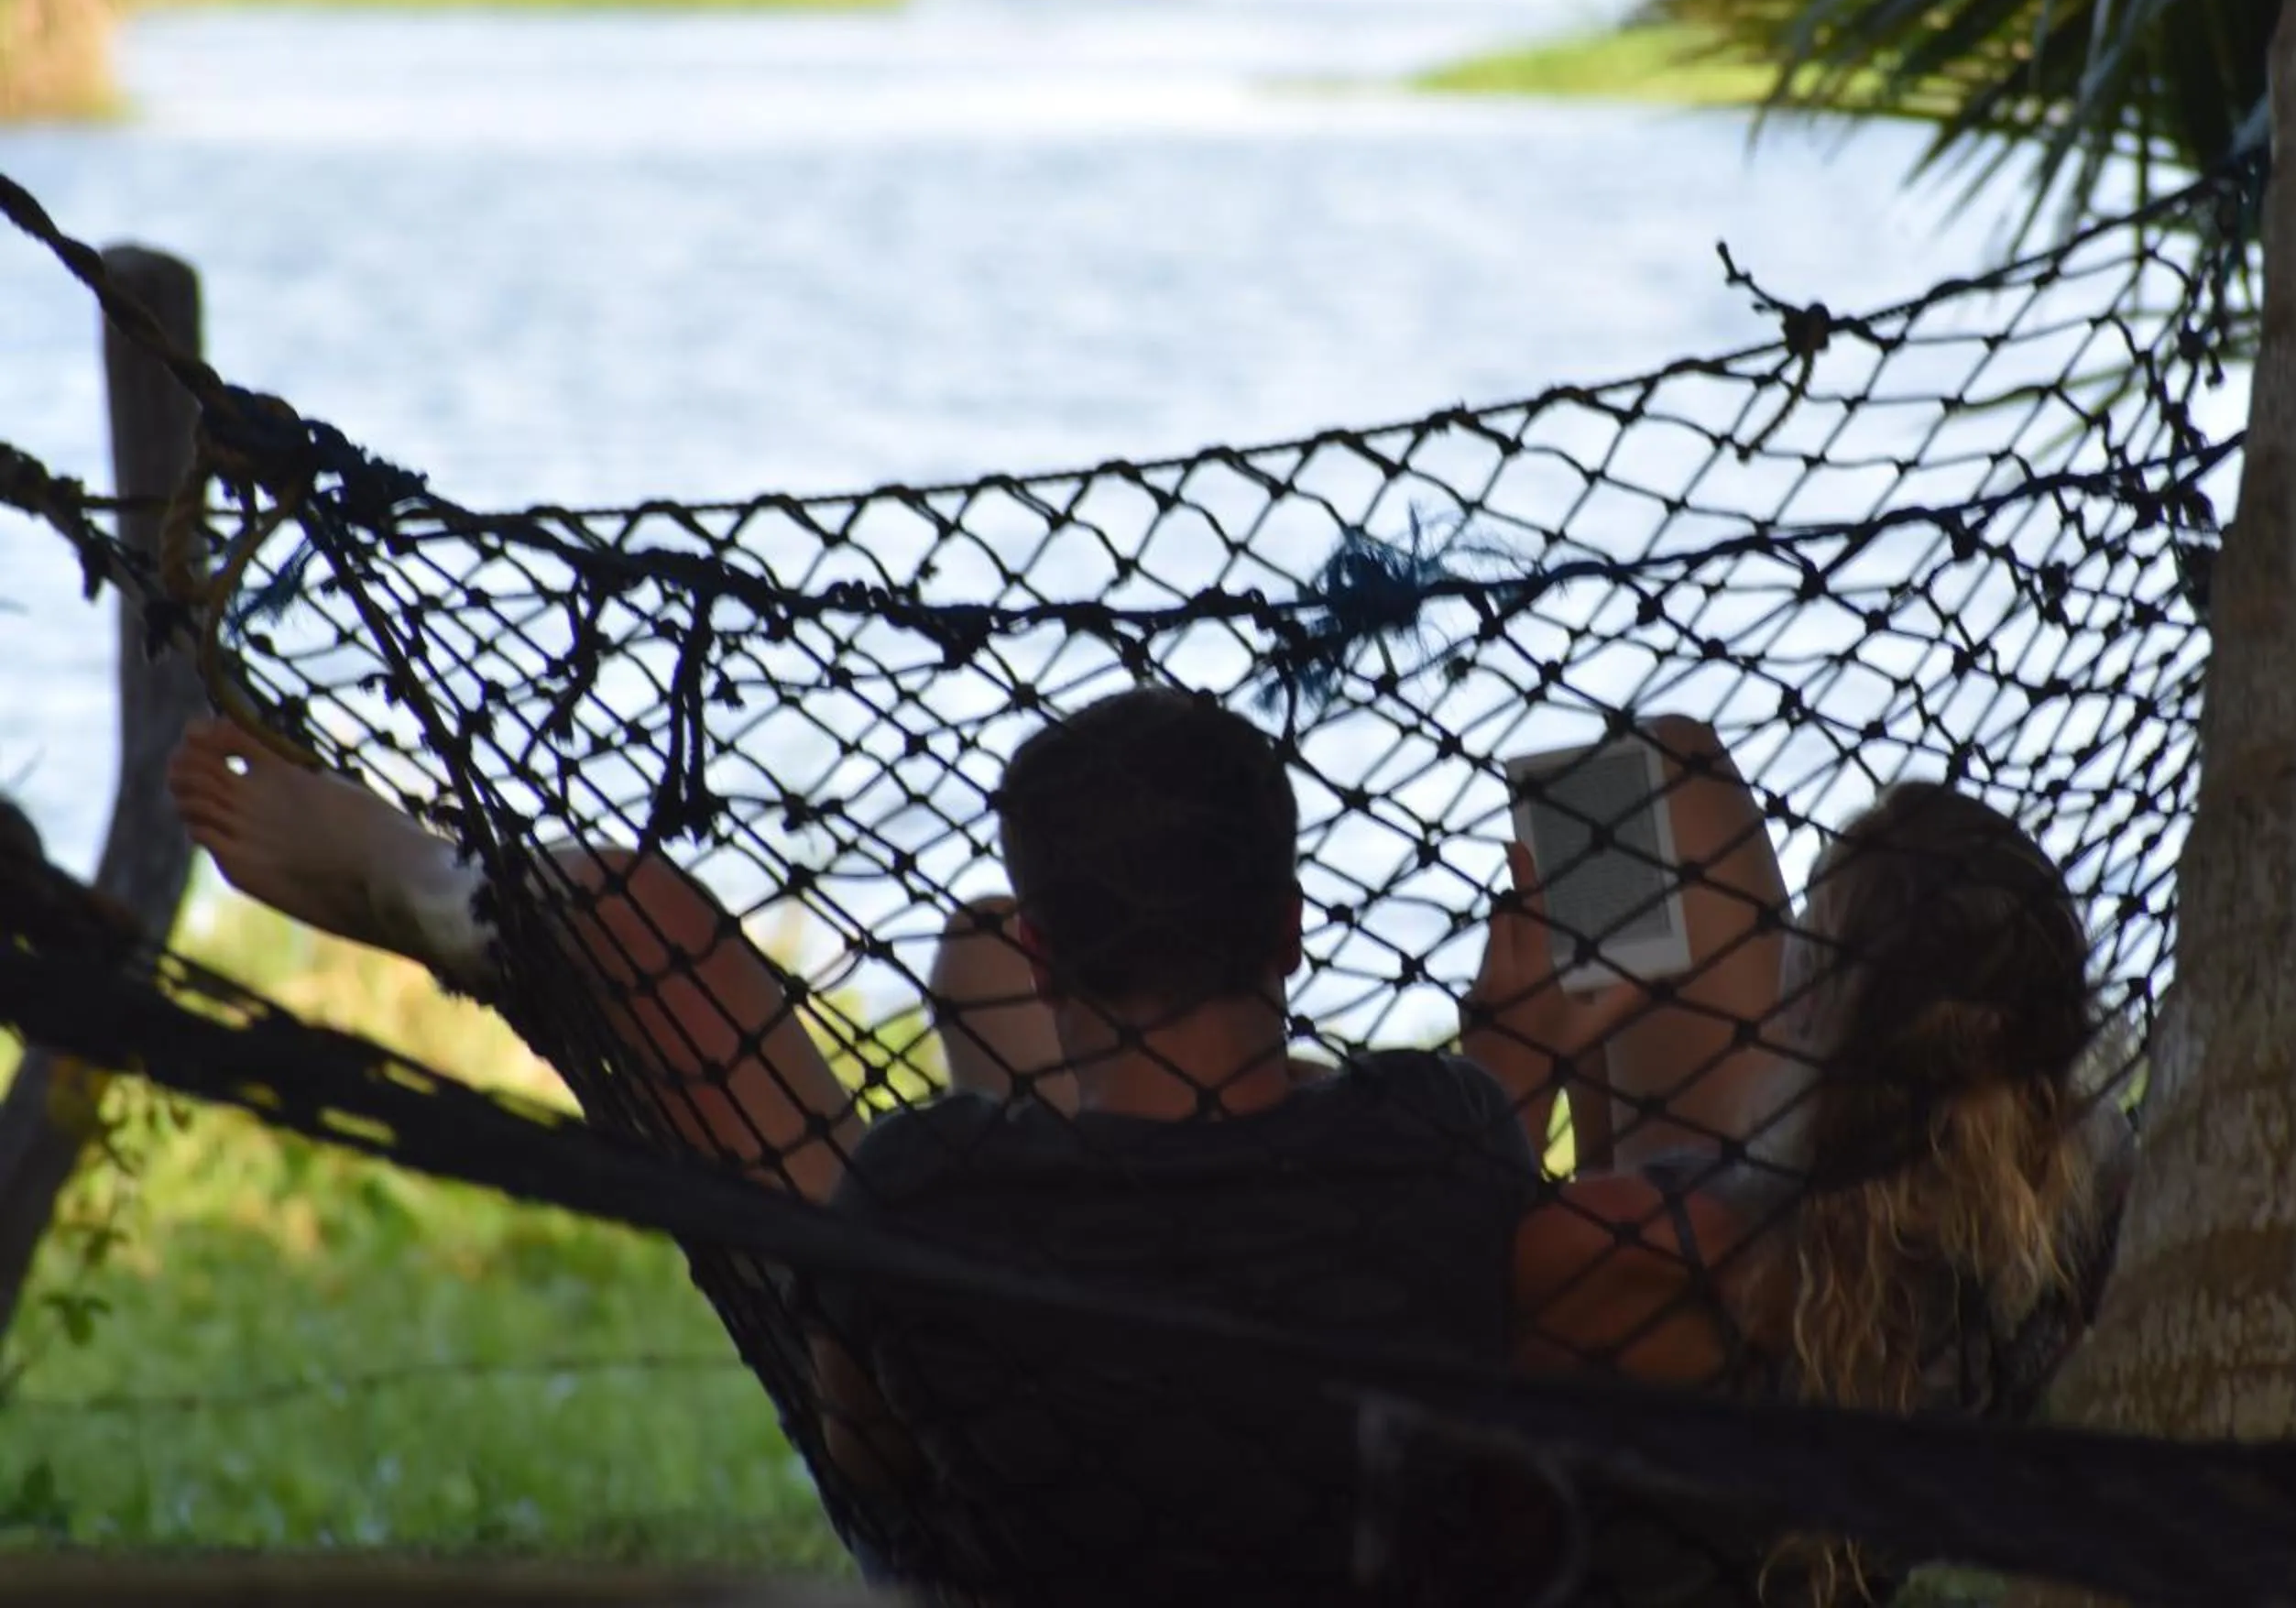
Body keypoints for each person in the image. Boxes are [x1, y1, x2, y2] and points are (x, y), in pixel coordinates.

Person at [169, 687, 1543, 1605]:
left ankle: (427, 876)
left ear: (1063, 958)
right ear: (1292, 925)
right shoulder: (1443, 1132)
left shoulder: (927, 1185)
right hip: (1358, 1441)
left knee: (648, 928)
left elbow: (870, 1450)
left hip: (1001, 1539)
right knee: (970, 960)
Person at [1468, 749, 2136, 1607]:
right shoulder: (2105, 1213)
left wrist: (1505, 1068)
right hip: (1863, 1339)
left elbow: (1440, 1299)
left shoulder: (1658, 1247)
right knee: (1655, 778)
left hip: (1714, 1337)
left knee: (1654, 777)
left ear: (1811, 1014)